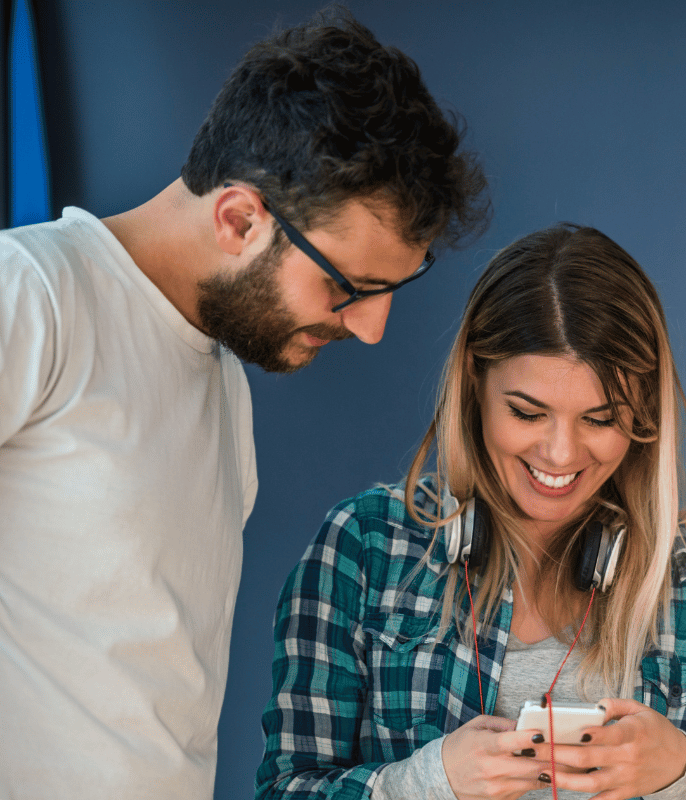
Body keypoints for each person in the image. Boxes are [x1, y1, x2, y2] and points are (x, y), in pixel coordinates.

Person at [0, 11, 488, 799]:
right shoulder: (32, 296)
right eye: (347, 287)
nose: (370, 329)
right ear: (239, 218)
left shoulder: (220, 378)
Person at [256, 224, 686, 800]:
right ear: (475, 381)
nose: (560, 453)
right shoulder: (364, 548)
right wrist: (428, 783)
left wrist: (684, 775)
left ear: (645, 413)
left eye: (600, 420)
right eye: (528, 413)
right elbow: (287, 790)